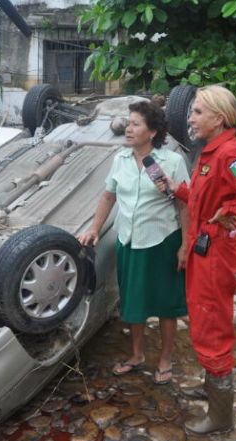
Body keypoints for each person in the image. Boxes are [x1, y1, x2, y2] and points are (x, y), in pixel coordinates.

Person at [156, 85, 236, 435]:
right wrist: (175, 189)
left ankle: (222, 416)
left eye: (197, 112)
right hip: (201, 250)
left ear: (219, 118)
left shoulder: (229, 155)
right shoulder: (210, 153)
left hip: (215, 255)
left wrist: (231, 209)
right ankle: (212, 385)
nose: (190, 118)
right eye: (192, 111)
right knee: (202, 317)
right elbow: (200, 198)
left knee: (213, 325)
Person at [77, 100, 190, 385]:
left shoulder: (172, 162)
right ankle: (137, 355)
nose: (128, 129)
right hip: (128, 240)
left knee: (166, 304)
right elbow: (108, 196)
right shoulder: (120, 160)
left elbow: (185, 206)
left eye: (135, 124)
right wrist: (94, 229)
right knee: (133, 301)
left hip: (162, 240)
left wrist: (185, 245)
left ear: (152, 132)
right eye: (128, 123)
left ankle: (165, 358)